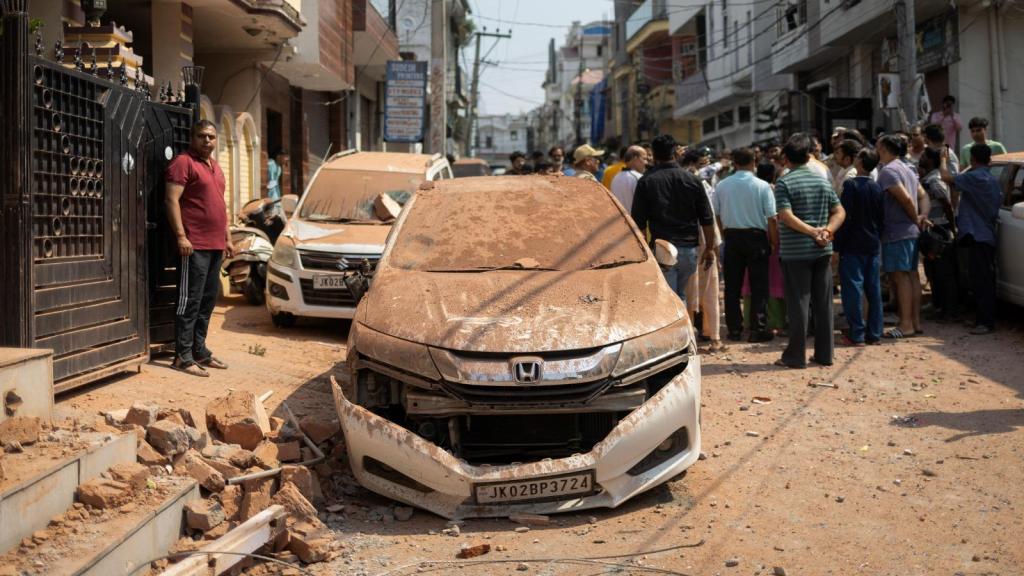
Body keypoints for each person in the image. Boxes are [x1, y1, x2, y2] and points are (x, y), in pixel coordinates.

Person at [165, 120, 234, 377]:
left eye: (212, 137)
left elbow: (220, 205)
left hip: (216, 245)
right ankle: (182, 356)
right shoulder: (184, 162)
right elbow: (171, 200)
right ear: (193, 138)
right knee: (189, 301)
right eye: (202, 136)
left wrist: (227, 238)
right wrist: (181, 236)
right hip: (194, 246)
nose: (207, 141)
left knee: (207, 300)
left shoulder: (215, 167)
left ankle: (199, 351)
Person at [773, 133, 845, 369]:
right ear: (808, 156)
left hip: (796, 253)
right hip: (822, 250)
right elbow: (839, 212)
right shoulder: (822, 180)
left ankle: (796, 356)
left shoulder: (784, 182)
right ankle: (825, 355)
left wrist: (813, 232)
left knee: (799, 304)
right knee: (823, 304)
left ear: (787, 158)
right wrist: (826, 231)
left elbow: (785, 215)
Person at [632, 134, 717, 310]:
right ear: (675, 153)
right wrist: (709, 248)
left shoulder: (646, 181)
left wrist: (642, 255)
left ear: (653, 155)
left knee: (669, 299)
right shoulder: (692, 180)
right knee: (679, 294)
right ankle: (683, 334)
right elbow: (707, 219)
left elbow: (638, 224)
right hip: (689, 251)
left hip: (662, 249)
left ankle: (678, 335)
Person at [714, 147, 778, 343]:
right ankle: (758, 329)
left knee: (732, 286)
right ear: (754, 162)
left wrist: (725, 234)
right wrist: (773, 241)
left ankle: (734, 329)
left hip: (732, 237)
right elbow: (772, 218)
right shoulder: (763, 186)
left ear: (734, 163)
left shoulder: (722, 186)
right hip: (757, 237)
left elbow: (716, 214)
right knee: (759, 285)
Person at [940, 144, 1002, 334]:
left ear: (973, 160)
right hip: (985, 234)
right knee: (982, 279)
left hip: (978, 235)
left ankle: (985, 322)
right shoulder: (990, 179)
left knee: (982, 281)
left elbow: (946, 178)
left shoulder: (974, 177)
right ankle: (982, 320)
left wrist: (943, 158)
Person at [876, 135, 928, 339]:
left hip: (897, 230)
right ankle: (915, 321)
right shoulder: (908, 168)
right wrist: (921, 216)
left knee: (901, 276)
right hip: (909, 231)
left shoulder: (888, 171)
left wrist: (916, 218)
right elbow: (922, 195)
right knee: (912, 275)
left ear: (883, 149)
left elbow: (906, 199)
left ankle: (906, 323)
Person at [834, 148, 885, 346]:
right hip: (871, 244)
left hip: (852, 245)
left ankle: (857, 333)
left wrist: (838, 246)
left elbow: (845, 218)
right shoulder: (876, 187)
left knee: (853, 289)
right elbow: (881, 218)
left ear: (862, 162)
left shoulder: (851, 186)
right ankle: (875, 332)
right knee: (873, 289)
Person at [679, 150, 724, 351]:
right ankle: (712, 337)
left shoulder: (679, 188)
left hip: (689, 246)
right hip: (703, 245)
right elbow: (710, 219)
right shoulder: (702, 186)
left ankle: (691, 339)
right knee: (708, 292)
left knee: (687, 294)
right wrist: (713, 247)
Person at [918, 147, 959, 322]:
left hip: (939, 232)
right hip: (931, 231)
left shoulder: (934, 179)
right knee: (932, 270)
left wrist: (952, 227)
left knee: (943, 272)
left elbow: (946, 203)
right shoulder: (927, 178)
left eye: (924, 156)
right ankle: (939, 306)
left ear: (931, 160)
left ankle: (949, 310)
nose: (921, 157)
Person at [610, 145, 646, 210]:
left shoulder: (616, 178)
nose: (646, 162)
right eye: (644, 159)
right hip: (634, 219)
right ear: (635, 158)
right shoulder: (638, 178)